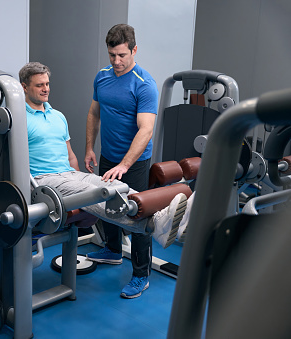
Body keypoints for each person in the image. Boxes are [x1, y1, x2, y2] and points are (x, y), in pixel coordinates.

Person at [19, 62, 192, 285]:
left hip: (69, 173)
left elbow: (69, 152)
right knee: (97, 192)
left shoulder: (57, 116)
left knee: (110, 184)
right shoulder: (18, 118)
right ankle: (154, 224)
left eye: (48, 84)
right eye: (39, 85)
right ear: (24, 87)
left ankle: (167, 214)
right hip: (44, 180)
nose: (46, 89)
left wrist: (78, 175)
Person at [84, 24, 159, 299]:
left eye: (122, 55)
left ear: (134, 50)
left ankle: (141, 275)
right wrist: (90, 148)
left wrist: (125, 165)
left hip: (135, 162)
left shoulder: (145, 84)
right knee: (107, 206)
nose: (116, 61)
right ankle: (113, 250)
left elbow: (146, 130)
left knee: (138, 216)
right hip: (108, 156)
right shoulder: (102, 77)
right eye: (112, 55)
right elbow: (94, 113)